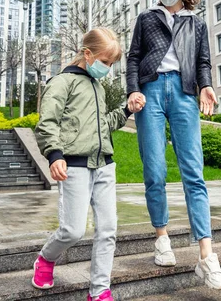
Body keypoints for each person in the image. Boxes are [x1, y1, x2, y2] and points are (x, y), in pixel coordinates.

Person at [126, 0, 221, 290]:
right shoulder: (147, 18)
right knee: (154, 169)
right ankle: (162, 238)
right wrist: (133, 89)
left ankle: (207, 257)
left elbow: (202, 62)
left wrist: (206, 85)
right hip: (152, 90)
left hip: (185, 94)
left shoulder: (196, 24)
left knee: (194, 172)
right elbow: (133, 57)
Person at [32, 28, 142, 301]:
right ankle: (45, 259)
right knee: (72, 230)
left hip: (104, 165)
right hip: (75, 166)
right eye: (105, 62)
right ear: (87, 53)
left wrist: (127, 109)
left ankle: (99, 291)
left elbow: (103, 126)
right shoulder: (62, 82)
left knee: (108, 230)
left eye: (112, 63)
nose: (108, 68)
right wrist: (55, 154)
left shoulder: (98, 87)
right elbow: (47, 123)